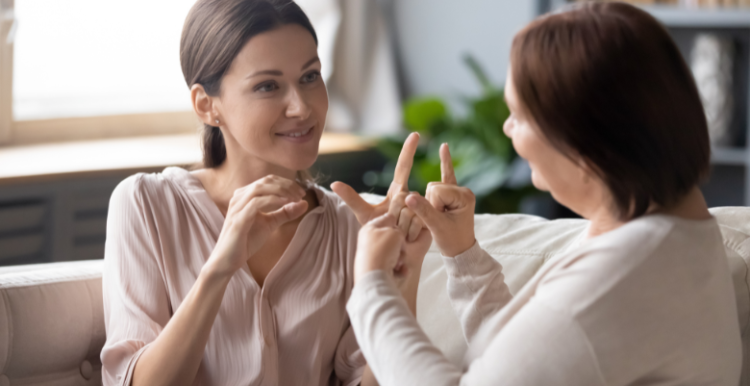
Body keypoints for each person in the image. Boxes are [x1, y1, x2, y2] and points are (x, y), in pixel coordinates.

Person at [346, 3, 743, 385]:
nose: (506, 130)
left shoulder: (624, 278)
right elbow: (534, 365)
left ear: (584, 146)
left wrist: (371, 287)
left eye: (517, 116)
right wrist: (462, 254)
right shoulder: (671, 226)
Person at [99, 0, 424, 385]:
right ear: (206, 105)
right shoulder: (146, 205)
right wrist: (221, 266)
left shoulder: (346, 225)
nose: (301, 107)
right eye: (267, 86)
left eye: (310, 76)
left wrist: (400, 279)